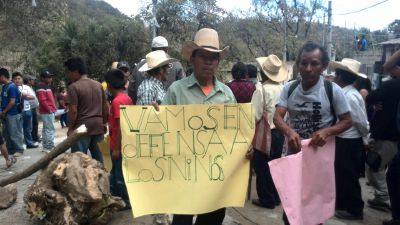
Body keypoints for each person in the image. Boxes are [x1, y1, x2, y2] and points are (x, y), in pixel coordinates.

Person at [273, 42, 352, 224]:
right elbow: (277, 117)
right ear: (298, 65)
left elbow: (347, 120)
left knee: (314, 210)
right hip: (294, 156)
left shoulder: (333, 91)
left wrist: (327, 131)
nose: (308, 69)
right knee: (290, 207)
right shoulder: (289, 88)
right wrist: (288, 131)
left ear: (324, 66)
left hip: (319, 159)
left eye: (314, 63)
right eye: (303, 63)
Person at [162, 28, 235, 225]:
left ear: (219, 62)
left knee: (212, 219)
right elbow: (161, 128)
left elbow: (236, 133)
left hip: (216, 176)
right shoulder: (176, 91)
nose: (209, 61)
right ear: (192, 59)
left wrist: (245, 149)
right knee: (182, 220)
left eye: (214, 57)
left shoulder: (227, 94)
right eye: (203, 56)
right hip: (184, 174)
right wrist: (153, 117)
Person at [330, 58, 369, 220]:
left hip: (350, 141)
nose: (333, 78)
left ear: (340, 77)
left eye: (336, 75)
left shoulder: (350, 96)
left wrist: (365, 139)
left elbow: (360, 121)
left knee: (349, 175)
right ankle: (343, 205)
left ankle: (354, 209)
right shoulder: (347, 93)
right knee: (342, 174)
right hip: (344, 140)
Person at [250, 54, 287, 209]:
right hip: (279, 132)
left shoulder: (262, 89)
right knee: (275, 165)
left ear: (263, 72)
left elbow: (255, 114)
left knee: (261, 166)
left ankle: (267, 199)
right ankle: (276, 196)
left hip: (266, 132)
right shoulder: (283, 88)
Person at [366, 49, 400, 212]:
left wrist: (375, 103)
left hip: (388, 134)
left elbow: (370, 98)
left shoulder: (392, 85)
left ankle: (384, 198)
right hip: (392, 134)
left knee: (375, 164)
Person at [65, 57, 108, 163]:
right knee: (99, 161)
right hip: (98, 126)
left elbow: (73, 110)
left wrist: (70, 129)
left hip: (81, 128)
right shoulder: (98, 85)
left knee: (78, 162)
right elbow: (105, 107)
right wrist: (104, 123)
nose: (68, 75)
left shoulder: (74, 87)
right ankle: (102, 179)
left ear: (75, 72)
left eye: (69, 72)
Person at [105, 69, 133, 210]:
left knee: (118, 175)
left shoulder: (117, 101)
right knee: (118, 173)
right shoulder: (126, 98)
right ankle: (118, 198)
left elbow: (122, 126)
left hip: (119, 145)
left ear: (109, 85)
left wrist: (116, 148)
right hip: (123, 144)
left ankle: (126, 200)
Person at [128, 36, 185, 102]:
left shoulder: (138, 66)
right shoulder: (177, 65)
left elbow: (131, 90)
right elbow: (183, 89)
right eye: (167, 67)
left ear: (152, 50)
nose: (168, 70)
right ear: (167, 50)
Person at [0, 68, 24, 157]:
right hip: (6, 114)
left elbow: (12, 102)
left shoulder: (12, 86)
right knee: (6, 133)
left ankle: (19, 149)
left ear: (2, 77)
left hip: (12, 113)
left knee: (14, 132)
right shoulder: (4, 87)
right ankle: (10, 150)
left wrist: (4, 111)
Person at [12, 72, 38, 149]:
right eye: (15, 79)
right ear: (13, 80)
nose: (17, 80)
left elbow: (33, 97)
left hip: (27, 110)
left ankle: (29, 143)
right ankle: (19, 146)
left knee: (28, 128)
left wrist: (24, 96)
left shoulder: (26, 87)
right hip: (17, 111)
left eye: (19, 78)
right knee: (18, 129)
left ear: (22, 79)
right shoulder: (12, 87)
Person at [36, 70, 57, 153]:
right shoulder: (41, 87)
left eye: (50, 77)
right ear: (42, 78)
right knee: (49, 129)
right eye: (48, 77)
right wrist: (49, 110)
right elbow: (42, 100)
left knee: (46, 129)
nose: (50, 79)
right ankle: (49, 147)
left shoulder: (46, 86)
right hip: (47, 111)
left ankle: (46, 146)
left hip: (48, 111)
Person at [24, 75, 41, 143]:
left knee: (35, 123)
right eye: (32, 80)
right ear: (28, 81)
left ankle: (35, 137)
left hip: (33, 108)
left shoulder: (30, 87)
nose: (33, 81)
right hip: (29, 108)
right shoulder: (25, 88)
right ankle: (31, 139)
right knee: (30, 125)